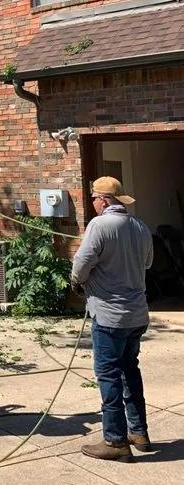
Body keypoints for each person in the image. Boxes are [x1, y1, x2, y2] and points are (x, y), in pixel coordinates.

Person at [71, 176, 154, 462]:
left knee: (109, 376)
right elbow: (147, 263)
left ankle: (115, 441)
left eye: (94, 199)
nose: (93, 203)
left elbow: (81, 265)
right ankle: (139, 432)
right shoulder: (140, 225)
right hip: (137, 314)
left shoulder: (99, 225)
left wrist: (77, 282)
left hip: (109, 316)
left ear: (103, 201)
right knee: (130, 371)